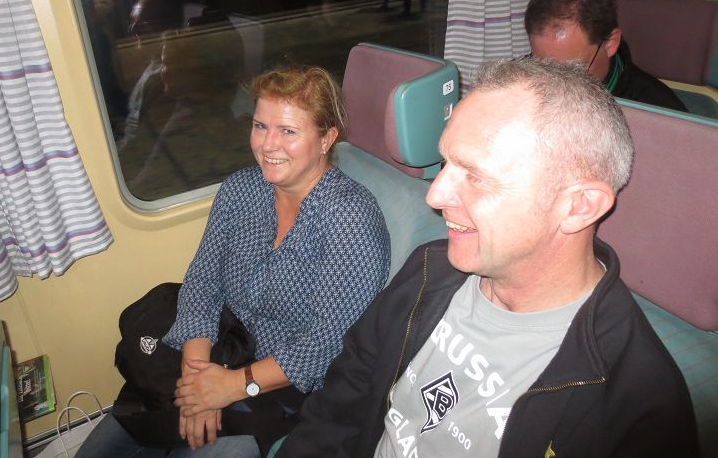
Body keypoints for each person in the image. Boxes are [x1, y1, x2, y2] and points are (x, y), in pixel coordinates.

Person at [278, 58, 698, 457]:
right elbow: (339, 407)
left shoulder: (638, 401)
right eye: (446, 163)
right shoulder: (429, 270)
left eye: (476, 176)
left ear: (579, 206)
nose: (435, 195)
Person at [79, 65, 390, 458]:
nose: (267, 144)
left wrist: (232, 386)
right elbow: (202, 281)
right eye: (260, 126)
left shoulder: (350, 218)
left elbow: (325, 342)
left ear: (327, 138)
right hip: (221, 347)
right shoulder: (241, 189)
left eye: (288, 131)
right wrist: (198, 380)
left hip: (285, 384)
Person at [524, 0, 688, 112]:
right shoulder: (519, 80)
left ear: (611, 43)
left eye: (572, 70)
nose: (554, 83)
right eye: (542, 66)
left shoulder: (658, 112)